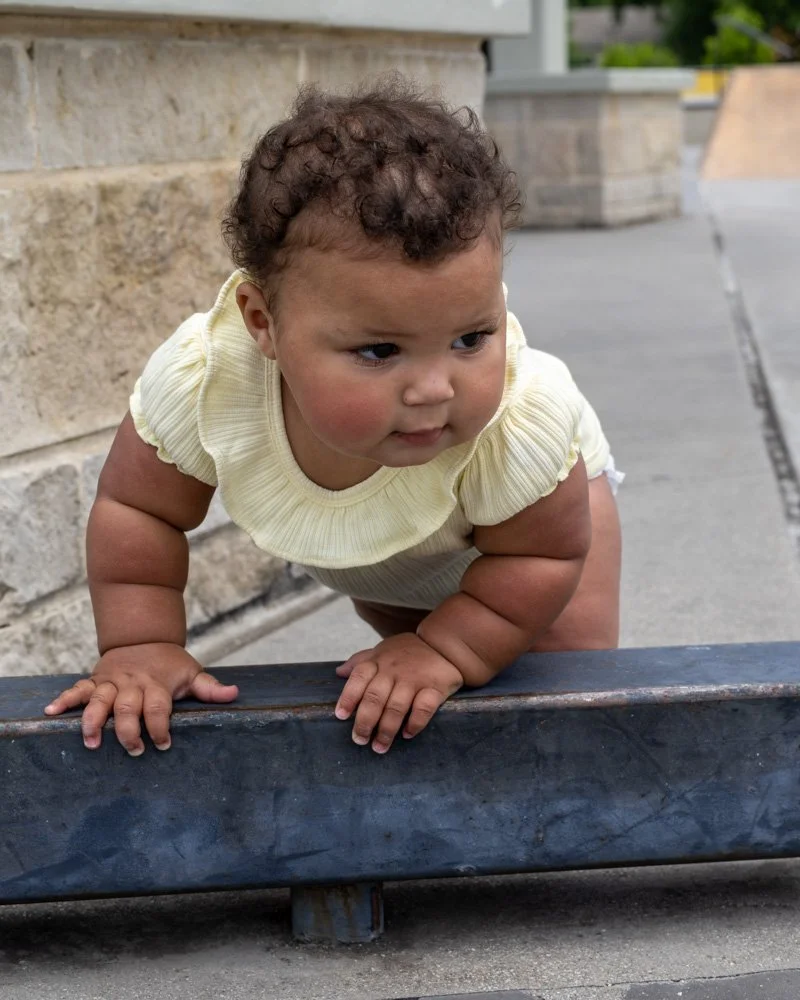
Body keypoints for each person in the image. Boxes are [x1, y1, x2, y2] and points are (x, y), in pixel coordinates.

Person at [45, 79, 622, 758]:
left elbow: (540, 553)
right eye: (380, 351)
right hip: (386, 557)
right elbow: (138, 511)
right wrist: (140, 644)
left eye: (472, 338)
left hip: (533, 545)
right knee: (404, 682)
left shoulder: (518, 423)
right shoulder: (206, 380)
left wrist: (447, 646)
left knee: (559, 680)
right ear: (264, 323)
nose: (436, 389)